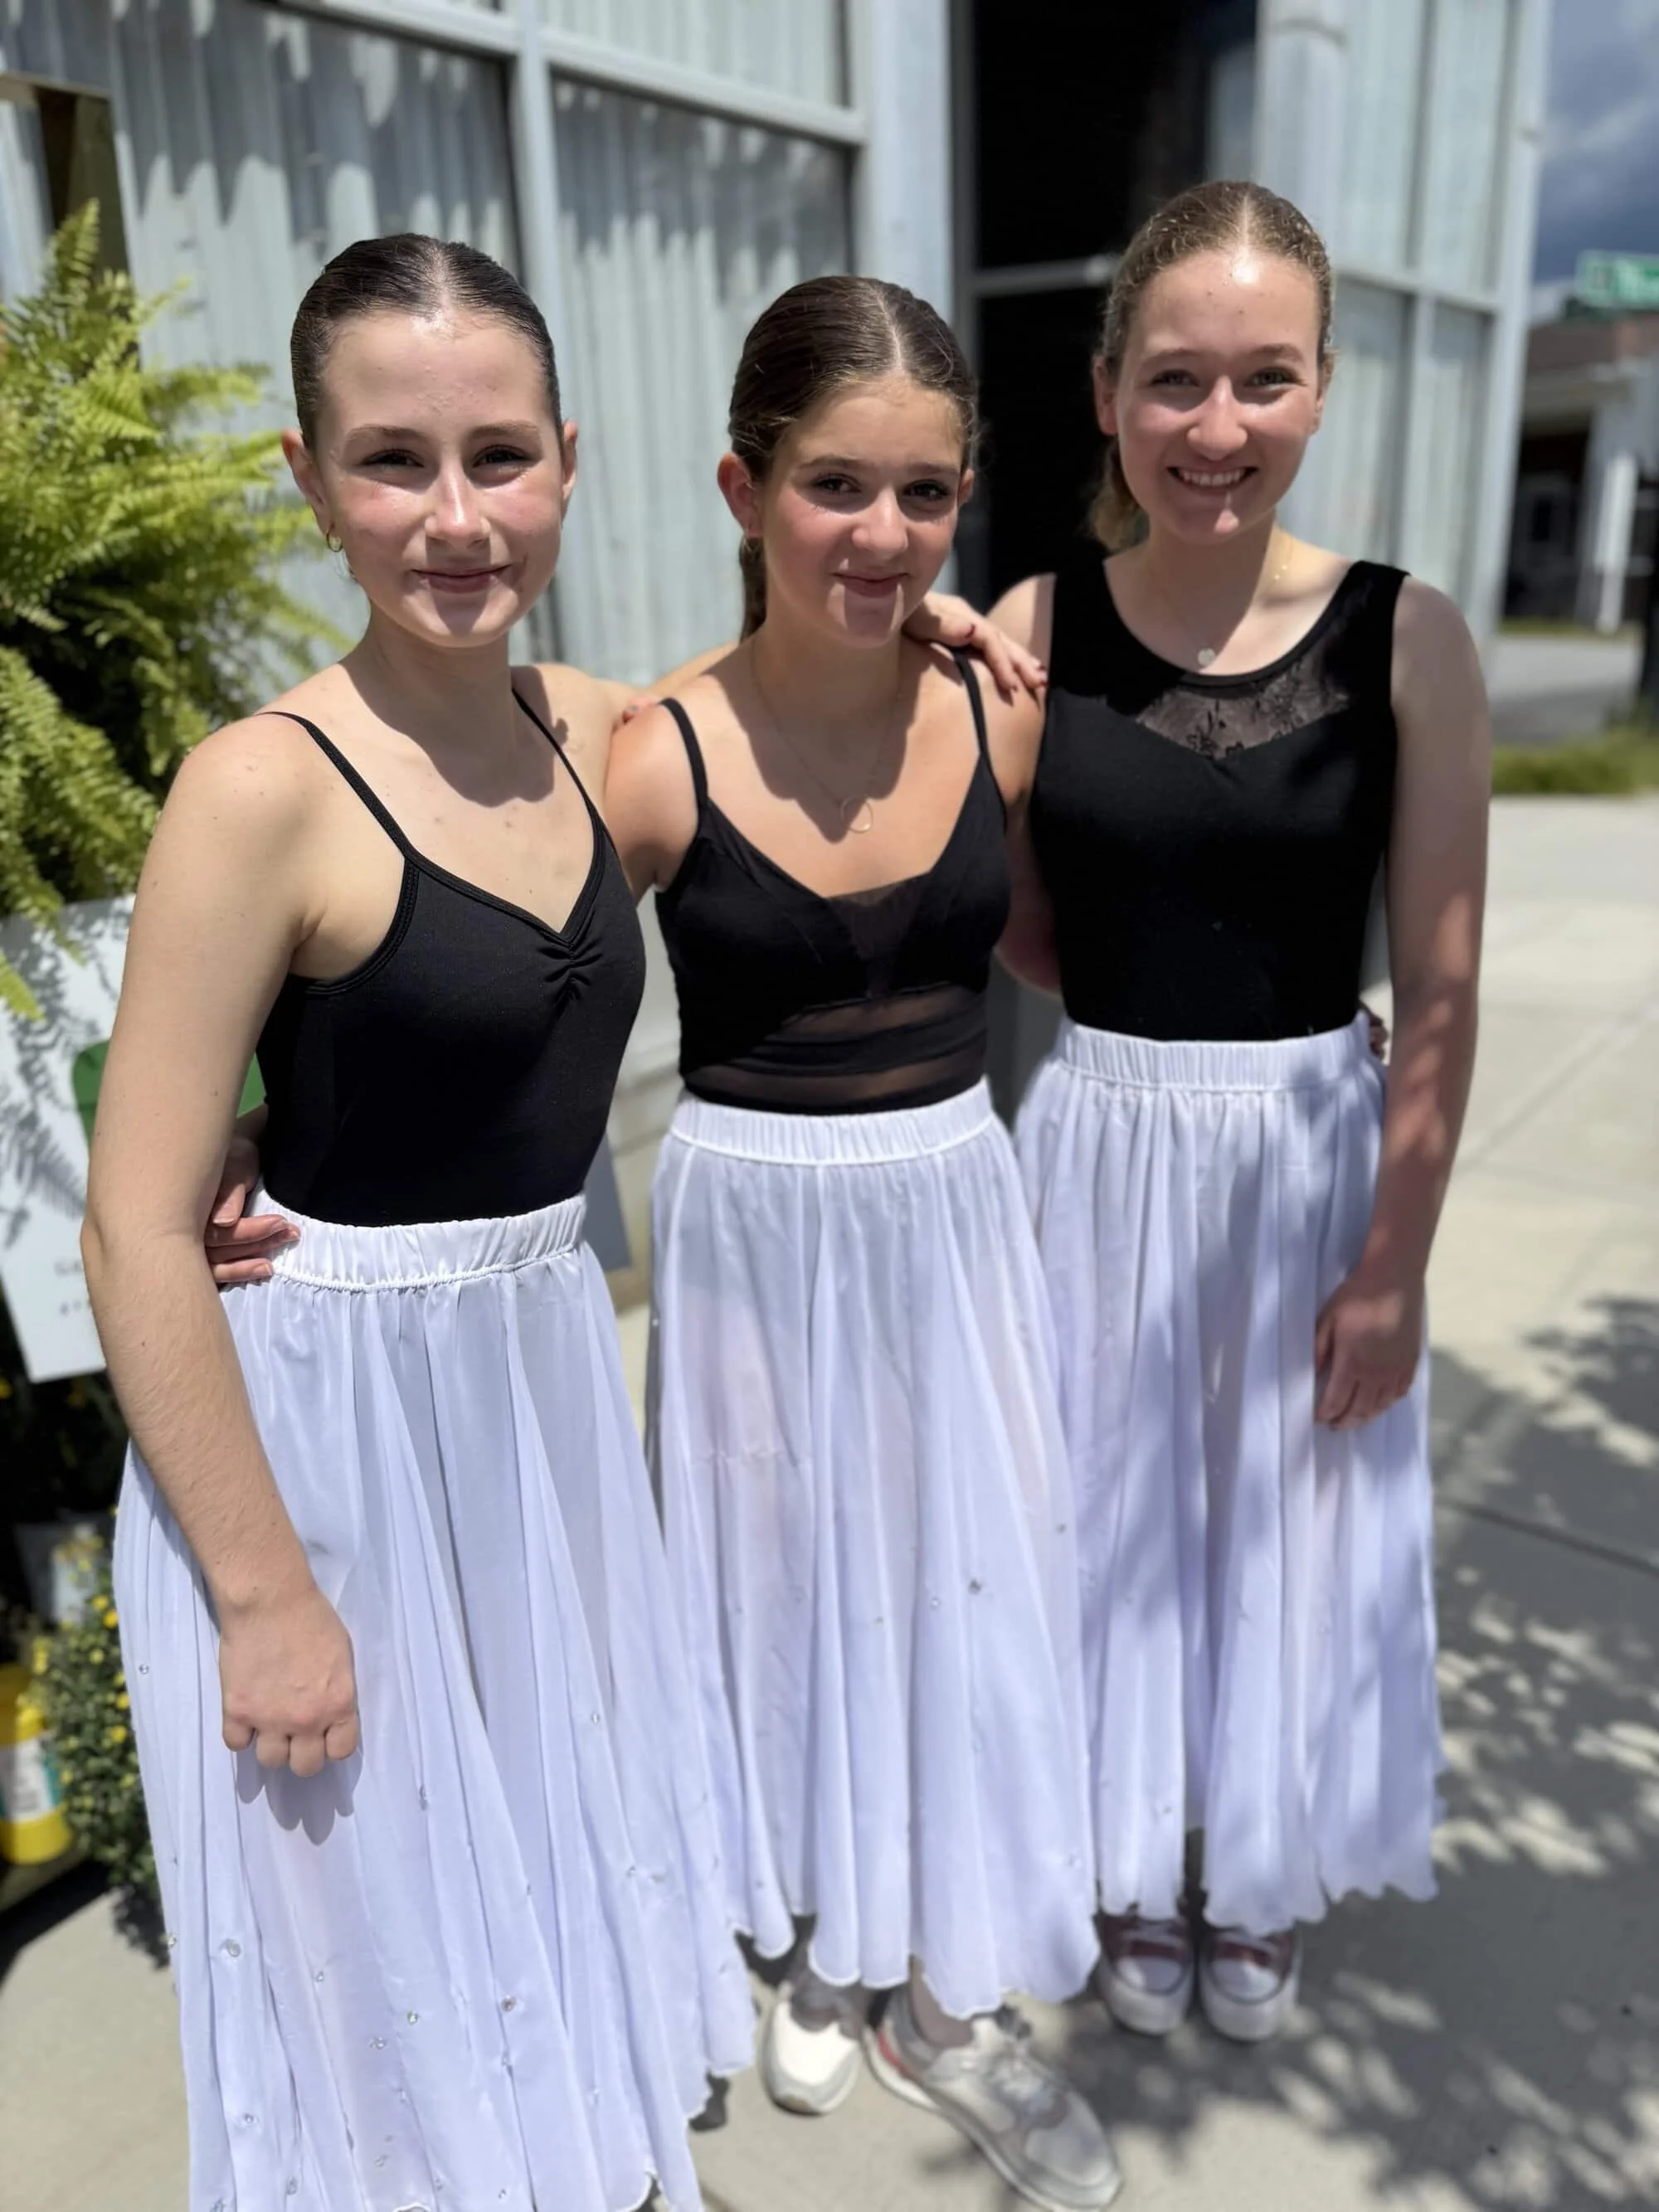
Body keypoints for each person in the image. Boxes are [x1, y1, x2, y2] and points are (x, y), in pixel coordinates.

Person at [81, 234, 755, 2212]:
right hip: (326, 1433)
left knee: (540, 1856)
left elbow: (822, 657)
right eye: (391, 462)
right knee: (367, 1945)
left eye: (497, 456)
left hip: (531, 1391)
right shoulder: (255, 794)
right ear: (304, 474)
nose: (453, 516)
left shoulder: (597, 732)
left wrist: (965, 626)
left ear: (569, 458)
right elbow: (135, 1230)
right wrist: (268, 1596)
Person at [604, 276, 1120, 2212]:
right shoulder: (653, 754)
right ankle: (830, 1919)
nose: (883, 537)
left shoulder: (997, 712)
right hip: (752, 1223)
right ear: (742, 485)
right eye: (835, 486)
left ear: (967, 496)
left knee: (960, 1566)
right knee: (789, 1577)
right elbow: (493, 966)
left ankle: (944, 1981)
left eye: (923, 494)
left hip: (949, 1201)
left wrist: (1319, 1027)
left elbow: (1096, 935)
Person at [984, 180, 1489, 2044]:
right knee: (1108, 1510)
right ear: (1109, 389)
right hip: (1103, 1141)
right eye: (1176, 380)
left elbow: (1437, 985)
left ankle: (1254, 1865)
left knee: (1282, 1515)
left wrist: (1396, 1255)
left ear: (1323, 388)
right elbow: (1016, 920)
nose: (1218, 428)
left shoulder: (1406, 636)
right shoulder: (1030, 625)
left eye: (1264, 380)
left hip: (1308, 1153)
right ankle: (1127, 1847)